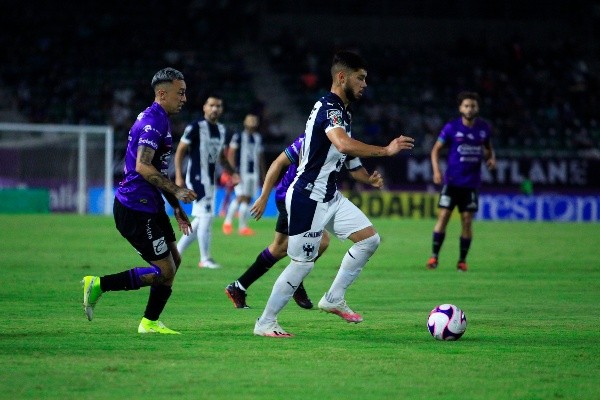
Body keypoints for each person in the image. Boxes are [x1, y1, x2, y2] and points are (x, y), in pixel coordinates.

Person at [253, 50, 415, 337]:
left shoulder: (343, 113)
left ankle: (333, 298)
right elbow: (342, 144)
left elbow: (349, 163)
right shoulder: (329, 107)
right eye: (360, 78)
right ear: (342, 77)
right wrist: (385, 150)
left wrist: (368, 178)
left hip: (330, 196)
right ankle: (265, 323)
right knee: (301, 265)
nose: (365, 84)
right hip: (307, 196)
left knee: (369, 240)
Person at [81, 67, 197, 334]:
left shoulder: (161, 119)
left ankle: (150, 322)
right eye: (180, 93)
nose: (184, 98)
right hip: (134, 207)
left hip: (150, 203)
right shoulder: (152, 123)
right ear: (162, 93)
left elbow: (159, 170)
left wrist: (177, 207)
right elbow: (143, 167)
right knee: (164, 271)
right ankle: (98, 284)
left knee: (174, 262)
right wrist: (178, 191)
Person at [224, 134, 330, 310]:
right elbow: (278, 163)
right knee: (321, 241)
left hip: (305, 198)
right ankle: (294, 281)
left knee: (279, 247)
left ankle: (239, 286)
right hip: (291, 196)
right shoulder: (307, 139)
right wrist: (263, 197)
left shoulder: (336, 141)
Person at [426, 91, 496, 272]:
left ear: (477, 108)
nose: (469, 109)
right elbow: (435, 150)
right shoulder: (451, 128)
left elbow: (488, 149)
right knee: (444, 217)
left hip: (471, 183)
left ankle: (462, 261)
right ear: (460, 108)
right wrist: (436, 170)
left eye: (472, 106)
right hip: (451, 181)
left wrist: (491, 158)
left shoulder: (484, 128)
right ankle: (434, 257)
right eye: (466, 105)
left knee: (467, 220)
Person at [174, 94, 238, 269]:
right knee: (207, 217)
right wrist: (179, 177)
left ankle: (176, 253)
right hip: (196, 178)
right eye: (211, 105)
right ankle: (205, 259)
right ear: (205, 107)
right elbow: (180, 151)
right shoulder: (195, 127)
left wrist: (233, 173)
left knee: (201, 219)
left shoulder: (222, 130)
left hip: (210, 180)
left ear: (221, 109)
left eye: (218, 106)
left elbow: (221, 157)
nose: (215, 108)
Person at [222, 113, 265, 236]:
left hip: (253, 172)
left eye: (254, 121)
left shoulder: (258, 137)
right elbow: (231, 153)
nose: (252, 124)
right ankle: (228, 222)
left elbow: (260, 156)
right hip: (241, 172)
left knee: (248, 199)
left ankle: (242, 227)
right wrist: (232, 172)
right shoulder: (239, 136)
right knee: (241, 197)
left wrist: (263, 174)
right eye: (250, 121)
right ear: (245, 123)